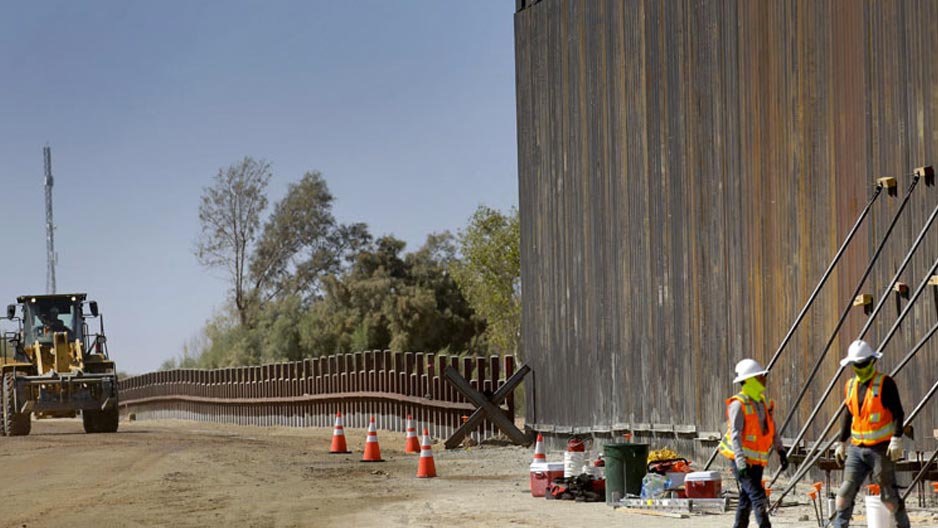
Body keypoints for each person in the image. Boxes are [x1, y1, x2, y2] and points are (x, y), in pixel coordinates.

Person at [831, 340, 909, 528]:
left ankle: (903, 525)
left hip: (881, 449)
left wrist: (896, 438)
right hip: (857, 448)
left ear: (872, 361)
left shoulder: (885, 383)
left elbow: (899, 413)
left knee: (889, 497)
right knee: (844, 493)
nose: (861, 368)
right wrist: (841, 442)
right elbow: (848, 414)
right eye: (857, 365)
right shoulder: (850, 386)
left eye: (864, 363)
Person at [719, 358, 788, 528]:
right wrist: (740, 462)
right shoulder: (738, 404)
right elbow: (735, 434)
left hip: (757, 462)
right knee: (758, 496)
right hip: (741, 462)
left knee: (746, 500)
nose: (764, 379)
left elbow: (771, 429)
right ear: (750, 381)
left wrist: (781, 451)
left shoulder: (762, 402)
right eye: (760, 377)